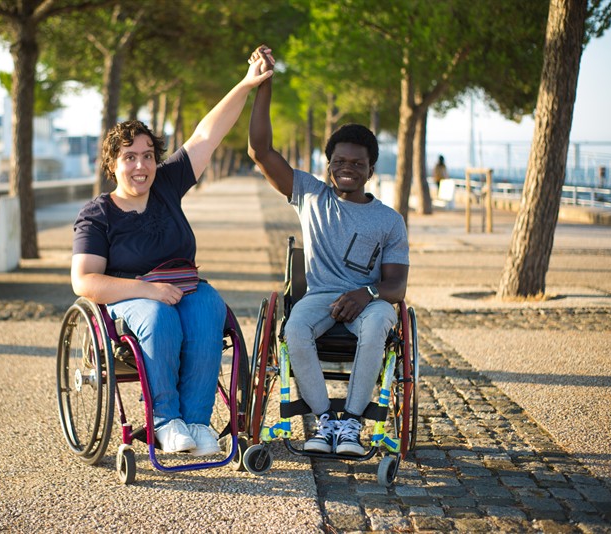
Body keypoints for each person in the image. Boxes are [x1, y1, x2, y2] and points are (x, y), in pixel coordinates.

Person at [71, 48, 274, 457]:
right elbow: (85, 281)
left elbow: (206, 134)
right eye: (130, 158)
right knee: (160, 316)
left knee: (208, 308)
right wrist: (147, 291)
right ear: (112, 164)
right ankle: (164, 421)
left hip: (183, 287)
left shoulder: (165, 185)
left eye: (147, 155)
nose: (141, 166)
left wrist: (248, 83)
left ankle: (196, 423)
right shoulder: (98, 214)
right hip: (130, 300)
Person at [247, 46, 409, 456]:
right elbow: (260, 152)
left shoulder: (389, 220)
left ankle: (352, 425)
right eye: (339, 161)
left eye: (357, 163)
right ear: (328, 164)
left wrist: (365, 294)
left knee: (377, 326)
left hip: (370, 301)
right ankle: (324, 423)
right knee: (294, 330)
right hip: (318, 297)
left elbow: (397, 284)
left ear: (371, 169)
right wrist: (263, 84)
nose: (346, 168)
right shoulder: (311, 196)